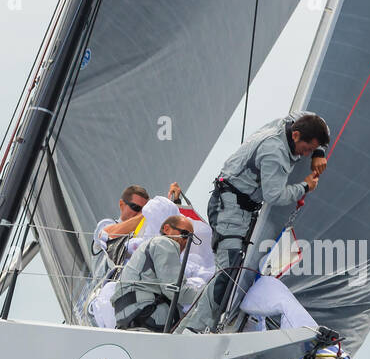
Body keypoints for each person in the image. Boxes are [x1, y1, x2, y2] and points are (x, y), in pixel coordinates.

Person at [185, 112, 329, 332]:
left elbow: (309, 116)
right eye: (307, 148)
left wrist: (319, 151)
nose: (306, 155)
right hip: (230, 210)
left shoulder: (286, 125)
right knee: (229, 272)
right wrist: (305, 186)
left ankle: (198, 327)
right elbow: (275, 195)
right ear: (296, 135)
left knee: (234, 272)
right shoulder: (275, 152)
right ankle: (192, 331)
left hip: (237, 206)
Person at [111, 214, 197, 332]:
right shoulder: (165, 243)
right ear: (166, 229)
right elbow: (174, 290)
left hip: (127, 317)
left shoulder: (148, 245)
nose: (187, 241)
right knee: (201, 313)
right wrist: (205, 294)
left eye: (191, 239)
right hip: (147, 314)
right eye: (185, 234)